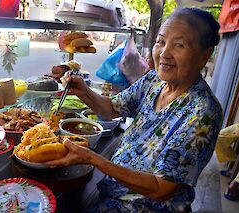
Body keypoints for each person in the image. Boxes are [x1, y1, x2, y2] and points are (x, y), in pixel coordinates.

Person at [47, 8, 223, 212]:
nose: (164, 53)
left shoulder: (203, 113)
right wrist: (83, 91)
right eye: (161, 41)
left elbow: (160, 188)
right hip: (114, 190)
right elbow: (112, 108)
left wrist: (92, 158)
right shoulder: (153, 81)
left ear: (204, 55)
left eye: (179, 45)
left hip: (145, 207)